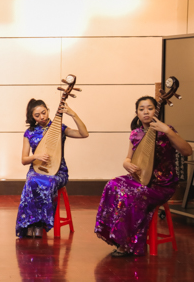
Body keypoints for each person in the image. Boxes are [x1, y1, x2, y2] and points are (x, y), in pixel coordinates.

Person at [95, 96, 192, 257]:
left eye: (150, 108)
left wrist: (168, 131)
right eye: (141, 109)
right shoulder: (136, 133)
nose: (146, 112)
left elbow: (187, 151)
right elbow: (129, 158)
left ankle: (128, 242)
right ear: (137, 113)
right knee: (112, 184)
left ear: (156, 111)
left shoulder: (167, 130)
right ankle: (114, 234)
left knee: (130, 194)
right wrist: (126, 163)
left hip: (161, 185)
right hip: (139, 179)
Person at [16, 98, 89, 238]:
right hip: (36, 170)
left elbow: (84, 134)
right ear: (32, 117)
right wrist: (36, 156)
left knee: (47, 182)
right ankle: (30, 223)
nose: (42, 117)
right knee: (31, 181)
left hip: (58, 171)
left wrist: (73, 114)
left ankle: (41, 224)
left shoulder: (59, 128)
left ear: (48, 111)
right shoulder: (29, 132)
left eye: (44, 112)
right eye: (37, 115)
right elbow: (24, 160)